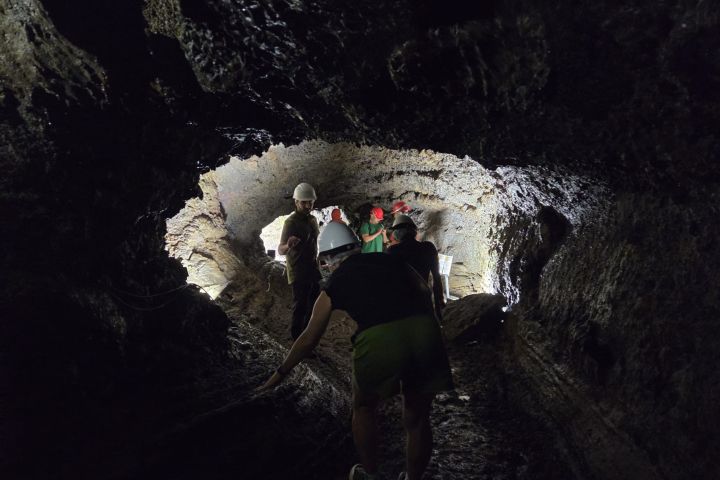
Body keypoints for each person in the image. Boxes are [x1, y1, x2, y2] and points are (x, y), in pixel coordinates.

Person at [259, 222, 454, 480]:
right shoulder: (390, 259)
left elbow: (308, 339)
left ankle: (370, 474)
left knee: (363, 406)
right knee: (417, 415)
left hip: (379, 338)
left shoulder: (335, 282)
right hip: (426, 332)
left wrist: (279, 374)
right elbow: (423, 289)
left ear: (328, 259)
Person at [278, 182, 322, 340]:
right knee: (301, 306)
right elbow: (280, 249)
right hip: (298, 270)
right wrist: (288, 245)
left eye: (310, 202)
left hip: (312, 269)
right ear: (296, 202)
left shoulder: (312, 220)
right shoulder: (291, 222)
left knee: (314, 306)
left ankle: (307, 337)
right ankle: (297, 340)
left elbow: (315, 244)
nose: (308, 205)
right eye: (304, 202)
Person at [387, 215, 446, 321]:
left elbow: (391, 282)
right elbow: (436, 279)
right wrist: (438, 307)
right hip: (424, 299)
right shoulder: (428, 247)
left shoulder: (393, 251)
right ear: (414, 231)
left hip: (404, 301)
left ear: (397, 233)